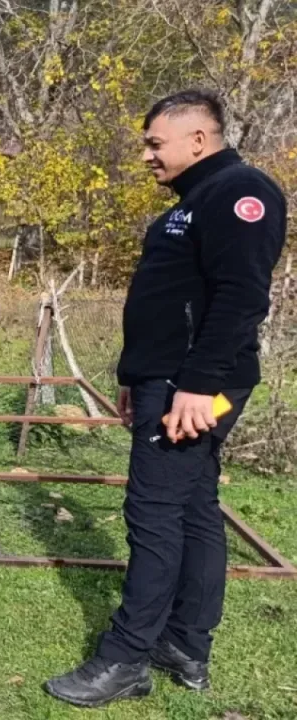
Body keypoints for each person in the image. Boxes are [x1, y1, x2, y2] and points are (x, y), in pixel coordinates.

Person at [45, 90, 287, 708]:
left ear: (198, 140)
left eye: (156, 144)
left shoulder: (240, 192)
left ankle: (125, 658)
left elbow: (241, 298)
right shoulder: (192, 203)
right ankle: (184, 644)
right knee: (195, 506)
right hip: (169, 380)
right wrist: (135, 376)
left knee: (152, 511)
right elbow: (168, 302)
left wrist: (197, 386)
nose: (147, 156)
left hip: (197, 385)